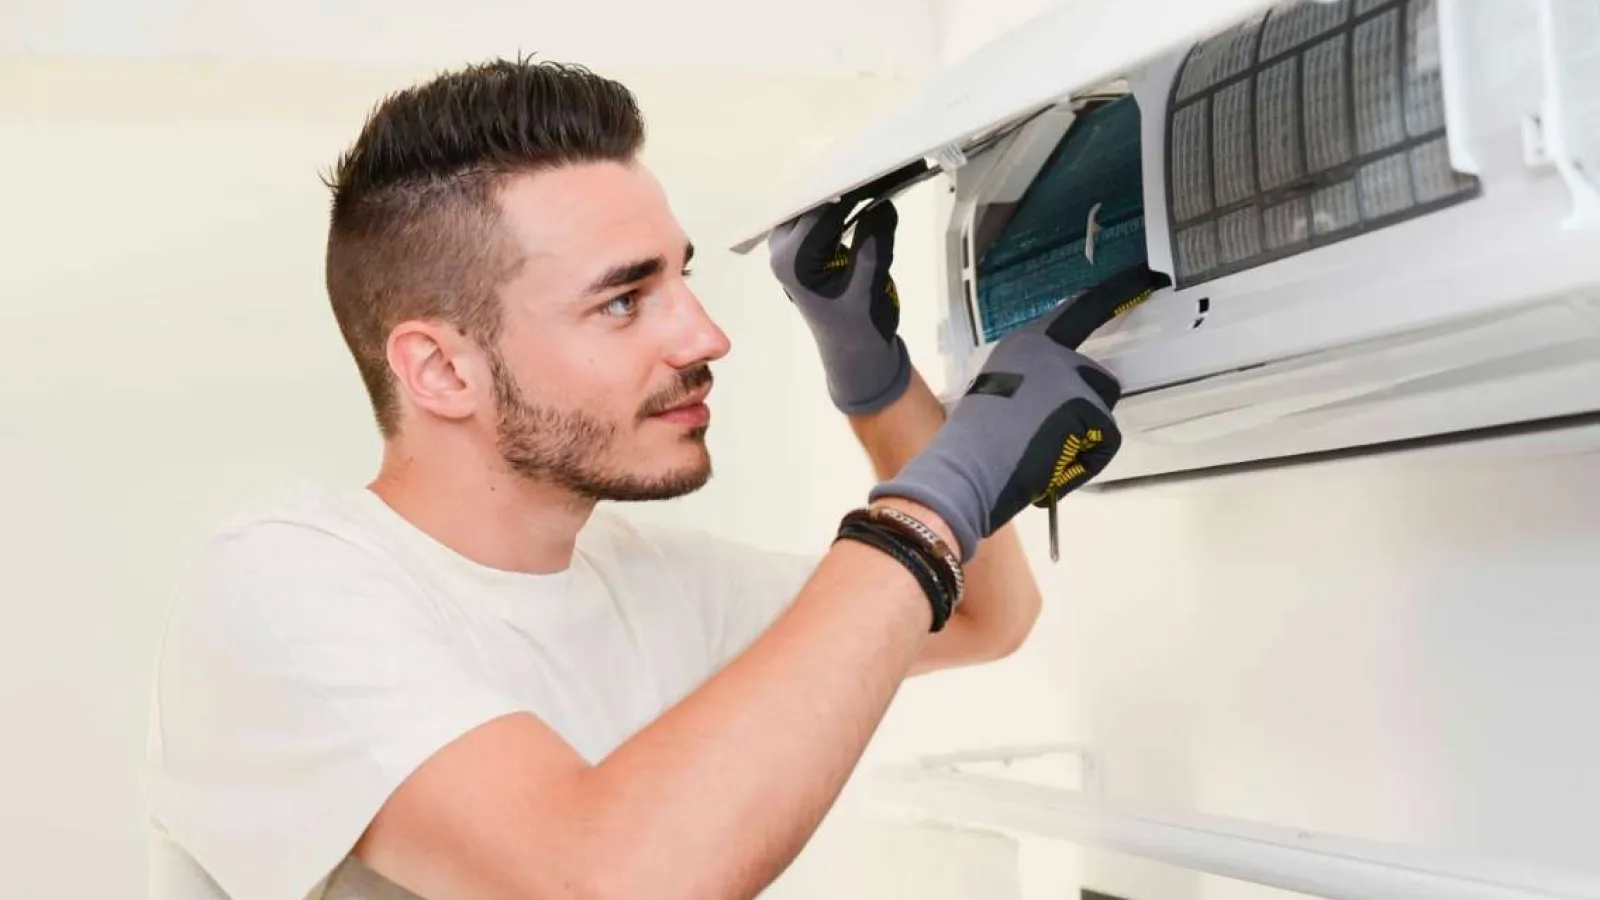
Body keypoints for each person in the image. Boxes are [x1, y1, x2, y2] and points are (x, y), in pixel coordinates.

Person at [142, 58, 1130, 900]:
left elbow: (976, 614)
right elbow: (605, 878)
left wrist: (875, 380)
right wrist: (944, 488)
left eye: (681, 277)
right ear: (441, 370)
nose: (705, 336)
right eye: (624, 300)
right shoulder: (283, 590)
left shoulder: (649, 578)